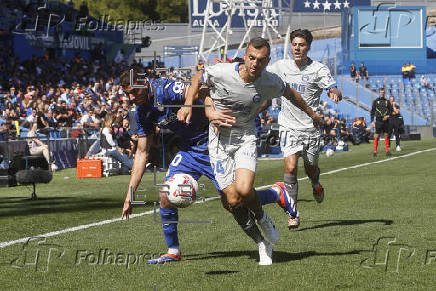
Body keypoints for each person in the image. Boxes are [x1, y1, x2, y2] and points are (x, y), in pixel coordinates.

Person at [119, 67, 286, 266]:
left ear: (144, 83)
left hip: (214, 144)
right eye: (127, 93)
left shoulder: (165, 88)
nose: (131, 97)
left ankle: (275, 197)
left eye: (134, 91)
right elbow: (141, 152)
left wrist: (207, 110)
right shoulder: (141, 112)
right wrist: (131, 193)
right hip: (189, 150)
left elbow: (202, 89)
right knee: (165, 195)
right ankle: (174, 251)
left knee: (233, 202)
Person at [177, 37, 322, 251]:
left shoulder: (269, 81)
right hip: (219, 142)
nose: (255, 64)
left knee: (244, 190)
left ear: (268, 60)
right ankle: (262, 239)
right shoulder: (223, 71)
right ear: (245, 56)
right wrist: (189, 106)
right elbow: (198, 77)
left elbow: (291, 94)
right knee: (232, 201)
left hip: (245, 136)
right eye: (252, 58)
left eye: (261, 60)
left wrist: (311, 113)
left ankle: (263, 218)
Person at [267, 29, 342, 228]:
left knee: (310, 168)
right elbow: (261, 75)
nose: (297, 48)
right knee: (290, 168)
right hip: (288, 126)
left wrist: (335, 92)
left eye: (301, 45)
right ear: (291, 46)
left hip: (311, 127)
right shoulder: (281, 66)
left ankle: (315, 183)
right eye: (294, 44)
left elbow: (332, 87)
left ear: (308, 46)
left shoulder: (318, 69)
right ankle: (294, 213)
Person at [370, 88, 393, 157]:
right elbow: (372, 112)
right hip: (378, 121)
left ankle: (387, 151)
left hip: (386, 121)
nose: (382, 93)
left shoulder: (387, 101)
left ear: (384, 93)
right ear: (379, 93)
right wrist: (372, 121)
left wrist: (388, 116)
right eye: (381, 92)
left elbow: (391, 111)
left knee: (386, 135)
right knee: (377, 136)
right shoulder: (375, 101)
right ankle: (375, 151)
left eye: (383, 92)